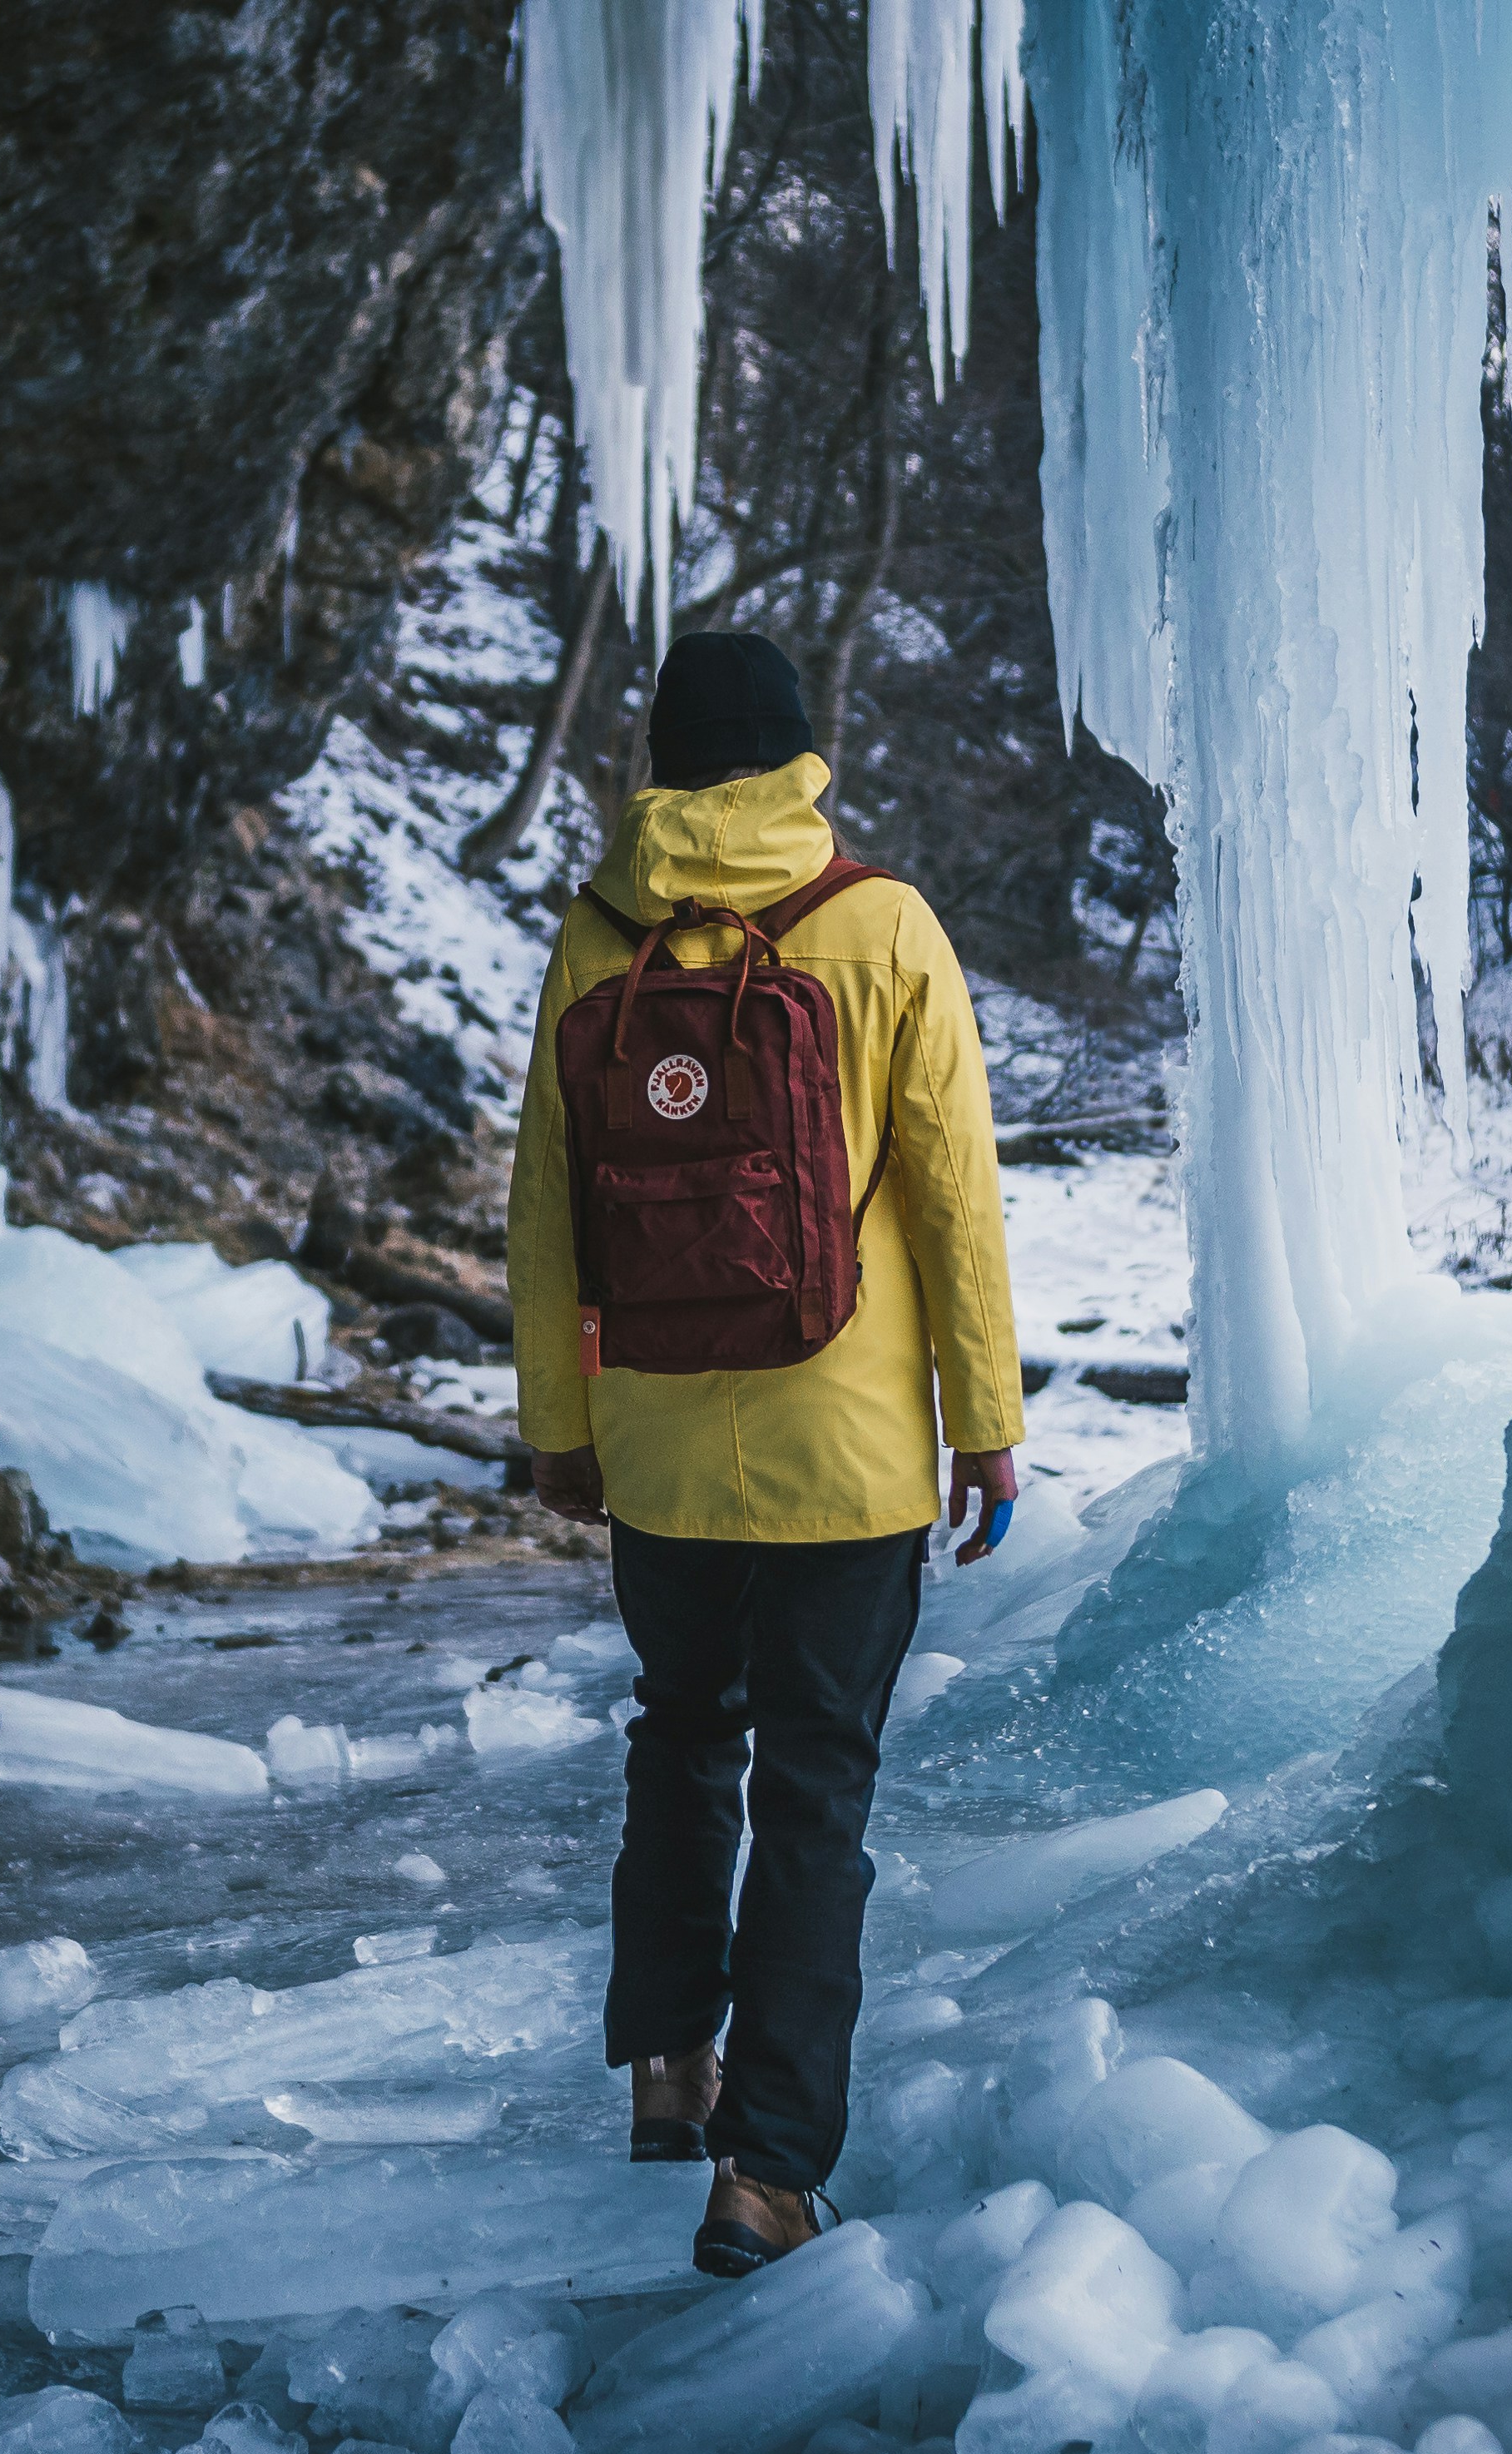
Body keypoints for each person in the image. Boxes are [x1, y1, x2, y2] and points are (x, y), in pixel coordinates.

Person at [506, 630, 1022, 2275]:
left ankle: (670, 2063)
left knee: (680, 1733)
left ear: (659, 760)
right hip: (848, 1452)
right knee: (815, 1792)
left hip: (659, 1443)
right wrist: (988, 1427)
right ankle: (769, 2170)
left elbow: (544, 1214)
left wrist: (559, 1430)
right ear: (803, 755)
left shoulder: (597, 942)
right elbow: (952, 1202)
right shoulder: (880, 927)